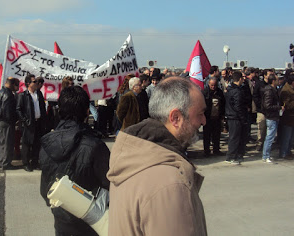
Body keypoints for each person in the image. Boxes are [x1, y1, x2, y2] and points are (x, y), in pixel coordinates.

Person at [107, 77, 207, 235]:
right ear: (175, 118)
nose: (204, 121)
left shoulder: (133, 157)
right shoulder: (171, 183)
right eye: (200, 113)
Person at [40, 86, 110, 236]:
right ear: (86, 112)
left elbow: (45, 190)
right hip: (90, 222)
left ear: (60, 110)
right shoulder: (95, 145)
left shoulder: (46, 143)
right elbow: (111, 183)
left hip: (61, 219)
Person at [16, 74, 47, 172]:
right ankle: (25, 163)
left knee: (37, 144)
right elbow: (18, 109)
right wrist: (25, 120)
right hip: (29, 124)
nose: (36, 83)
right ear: (28, 83)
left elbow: (42, 107)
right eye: (34, 81)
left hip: (39, 122)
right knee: (26, 144)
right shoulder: (23, 95)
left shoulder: (39, 94)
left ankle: (35, 162)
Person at [0, 77, 19, 169]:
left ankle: (3, 161)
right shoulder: (8, 94)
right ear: (12, 84)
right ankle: (5, 163)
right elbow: (8, 111)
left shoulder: (0, 92)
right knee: (7, 143)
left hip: (0, 120)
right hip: (6, 121)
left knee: (3, 142)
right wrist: (14, 120)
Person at [225, 71, 248, 165]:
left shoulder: (230, 89)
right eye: (242, 78)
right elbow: (238, 106)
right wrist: (243, 118)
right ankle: (231, 157)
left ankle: (236, 155)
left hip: (231, 116)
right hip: (235, 117)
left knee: (235, 137)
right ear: (239, 79)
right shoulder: (236, 92)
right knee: (234, 138)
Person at [261, 74, 282, 163]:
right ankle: (266, 155)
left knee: (270, 136)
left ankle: (266, 154)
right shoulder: (269, 91)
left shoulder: (273, 90)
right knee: (269, 137)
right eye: (277, 80)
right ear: (273, 81)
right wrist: (279, 107)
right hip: (271, 116)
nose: (278, 81)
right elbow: (267, 105)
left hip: (273, 116)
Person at [203, 77, 225, 156]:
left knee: (216, 135)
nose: (213, 87)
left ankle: (216, 150)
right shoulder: (205, 92)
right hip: (208, 117)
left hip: (217, 117)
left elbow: (223, 104)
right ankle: (206, 151)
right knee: (207, 136)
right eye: (212, 85)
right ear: (209, 84)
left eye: (215, 85)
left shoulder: (219, 92)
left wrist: (222, 115)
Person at [279, 74, 294, 159]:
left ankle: (288, 151)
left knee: (291, 137)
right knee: (286, 137)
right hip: (288, 117)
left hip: (292, 117)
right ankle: (283, 153)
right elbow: (286, 105)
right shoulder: (286, 90)